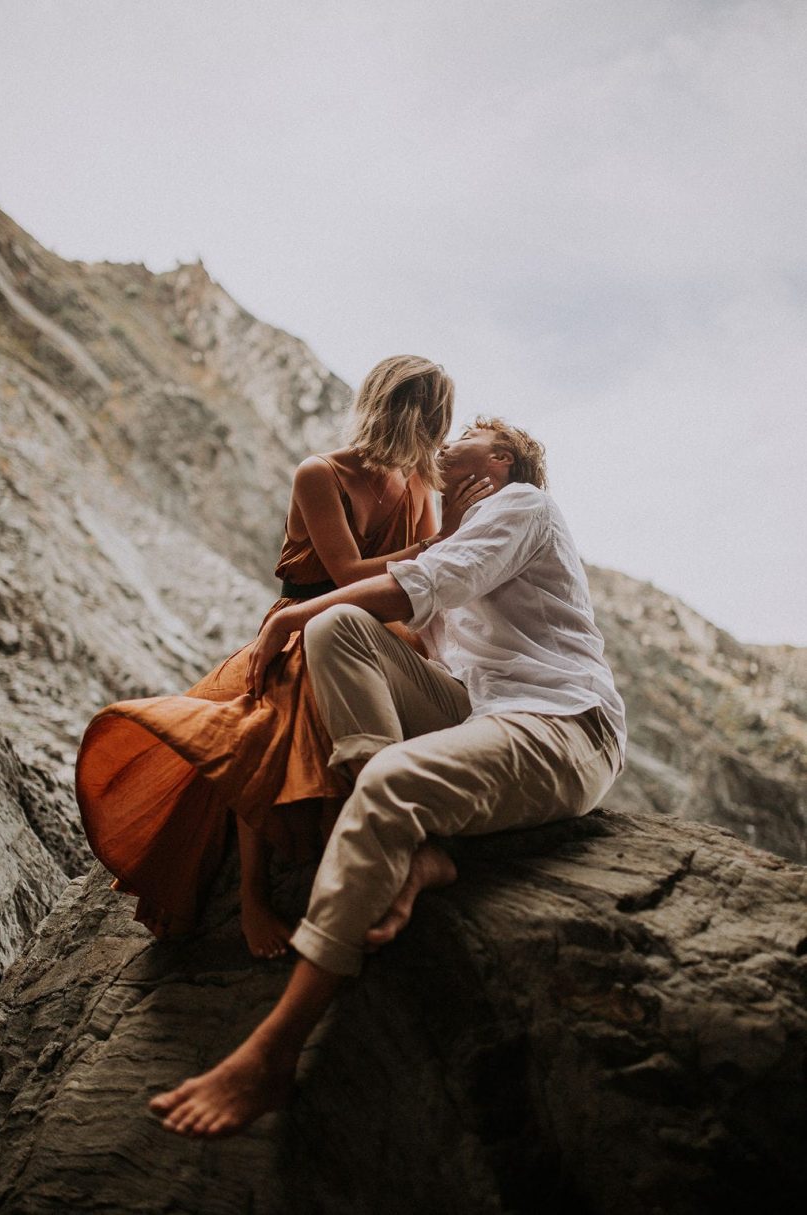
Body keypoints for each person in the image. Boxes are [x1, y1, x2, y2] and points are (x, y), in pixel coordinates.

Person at [149, 415, 628, 1138]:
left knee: (386, 766)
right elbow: (418, 631)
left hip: (562, 723)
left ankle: (273, 1052)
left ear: (497, 459)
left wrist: (287, 616)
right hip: (480, 709)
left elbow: (423, 587)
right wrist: (327, 610)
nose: (446, 439)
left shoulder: (524, 506)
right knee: (336, 631)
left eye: (466, 431)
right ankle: (406, 845)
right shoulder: (469, 530)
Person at [76, 355, 489, 960]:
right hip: (302, 621)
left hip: (376, 628)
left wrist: (438, 660)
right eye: (431, 417)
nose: (437, 433)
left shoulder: (422, 485)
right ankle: (252, 896)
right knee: (274, 716)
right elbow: (347, 572)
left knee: (378, 701)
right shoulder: (319, 474)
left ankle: (349, 855)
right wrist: (439, 542)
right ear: (398, 411)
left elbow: (417, 586)